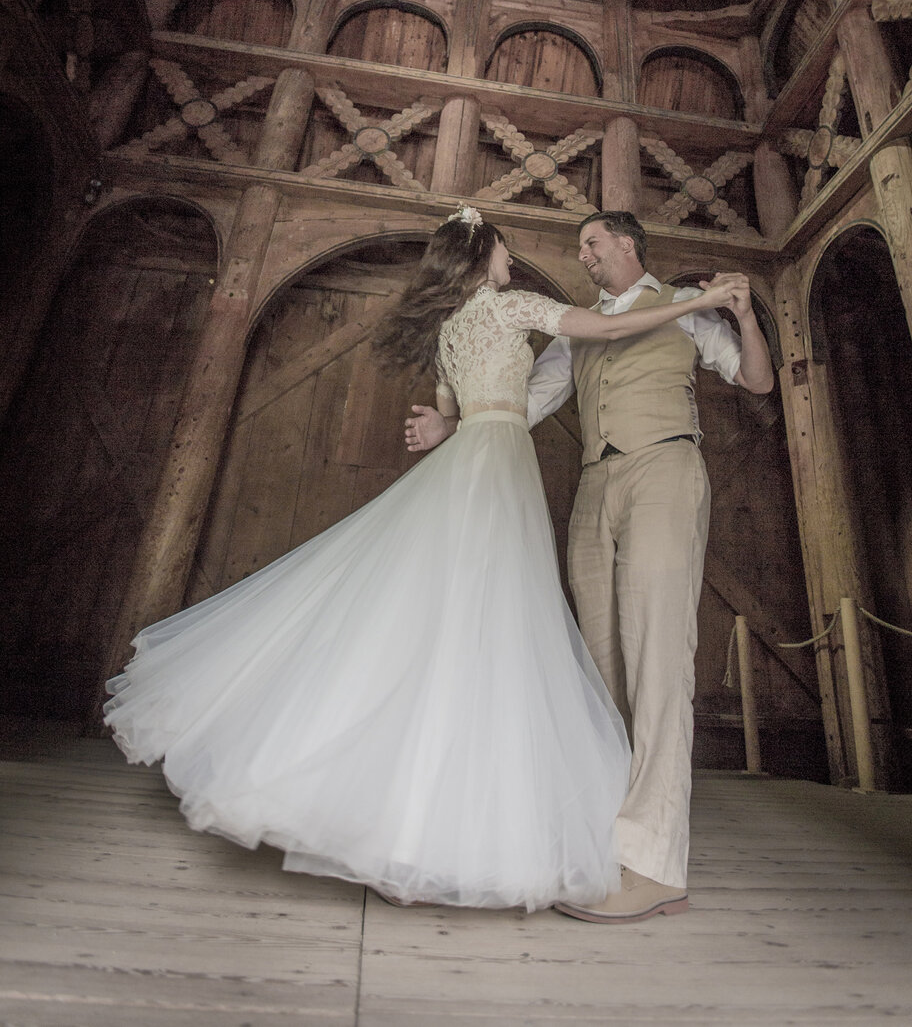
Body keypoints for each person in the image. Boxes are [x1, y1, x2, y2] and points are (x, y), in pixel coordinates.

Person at [104, 207, 742, 913]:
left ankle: (426, 814)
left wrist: (444, 424)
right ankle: (487, 824)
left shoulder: (446, 333)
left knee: (443, 621)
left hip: (472, 463)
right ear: (483, 258)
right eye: (504, 247)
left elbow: (454, 409)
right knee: (495, 628)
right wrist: (708, 298)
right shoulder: (512, 306)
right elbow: (610, 330)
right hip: (497, 467)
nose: (512, 255)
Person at [406, 210, 773, 922]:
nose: (583, 255)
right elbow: (523, 401)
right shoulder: (575, 326)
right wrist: (452, 425)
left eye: (592, 244)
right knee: (602, 667)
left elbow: (754, 380)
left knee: (659, 659)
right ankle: (604, 846)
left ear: (628, 243)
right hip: (594, 485)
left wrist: (746, 317)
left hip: (665, 465)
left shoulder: (679, 308)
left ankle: (656, 865)